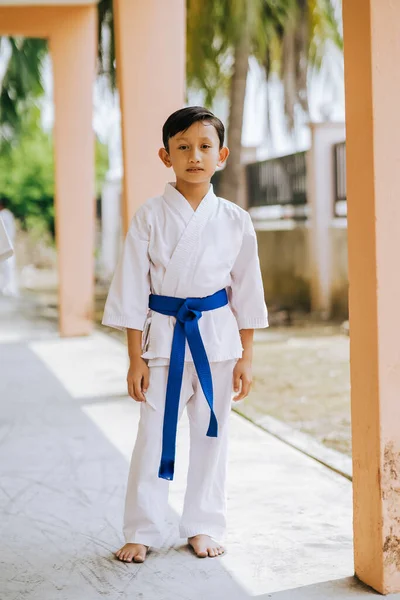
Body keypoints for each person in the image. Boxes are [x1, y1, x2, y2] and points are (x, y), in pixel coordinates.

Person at [102, 106, 268, 563]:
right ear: (165, 155)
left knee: (213, 435)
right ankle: (143, 528)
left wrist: (246, 356)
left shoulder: (235, 219)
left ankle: (203, 524)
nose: (194, 155)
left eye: (204, 146)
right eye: (183, 147)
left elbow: (247, 291)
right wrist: (135, 358)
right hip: (162, 341)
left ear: (222, 155)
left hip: (217, 339)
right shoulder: (150, 216)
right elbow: (133, 289)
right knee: (153, 434)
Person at [0, 197, 19, 297]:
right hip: (7, 244)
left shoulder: (4, 214)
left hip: (6, 245)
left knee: (8, 268)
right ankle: (5, 288)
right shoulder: (6, 214)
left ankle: (10, 288)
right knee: (5, 269)